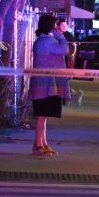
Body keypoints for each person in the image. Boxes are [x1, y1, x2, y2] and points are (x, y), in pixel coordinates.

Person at [27, 14, 71, 156]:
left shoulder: (43, 41)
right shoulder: (47, 42)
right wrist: (60, 36)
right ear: (50, 26)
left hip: (45, 83)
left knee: (44, 115)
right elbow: (65, 50)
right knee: (41, 115)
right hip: (44, 84)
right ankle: (37, 145)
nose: (57, 28)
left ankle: (44, 144)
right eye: (55, 25)